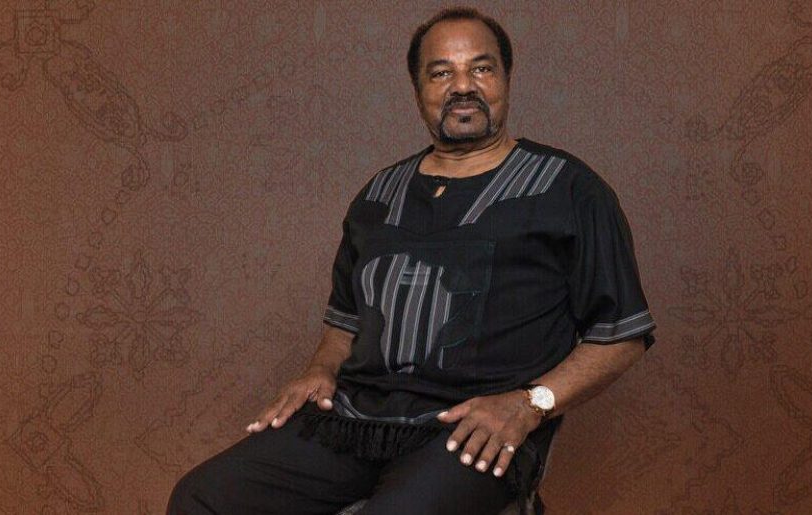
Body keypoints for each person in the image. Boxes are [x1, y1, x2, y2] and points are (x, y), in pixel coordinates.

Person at [167, 6, 656, 515]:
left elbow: (621, 333)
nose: (463, 86)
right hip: (356, 421)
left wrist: (531, 404)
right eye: (441, 72)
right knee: (202, 497)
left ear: (506, 79)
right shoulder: (379, 195)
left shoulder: (569, 190)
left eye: (481, 68)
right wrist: (320, 369)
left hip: (474, 427)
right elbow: (345, 319)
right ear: (418, 90)